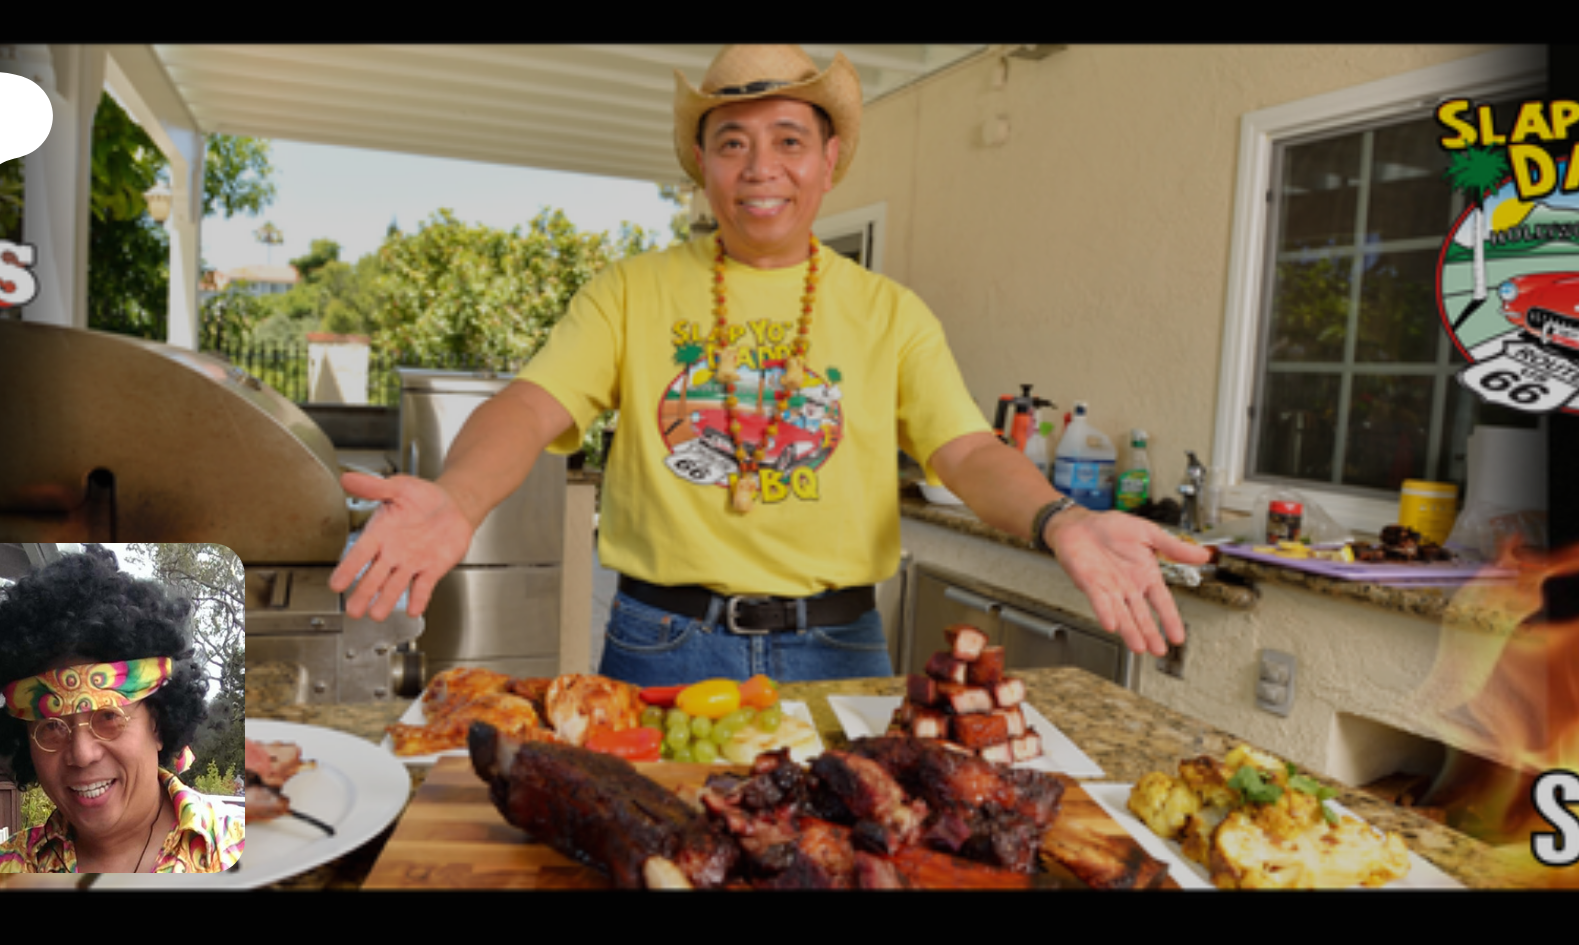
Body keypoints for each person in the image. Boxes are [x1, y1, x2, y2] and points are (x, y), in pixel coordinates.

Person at [331, 45, 1208, 687]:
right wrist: (458, 497)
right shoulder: (629, 291)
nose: (762, 169)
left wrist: (1062, 516)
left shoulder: (891, 312)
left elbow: (969, 451)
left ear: (830, 161)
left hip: (840, 645)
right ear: (702, 165)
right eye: (732, 142)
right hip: (661, 640)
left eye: (789, 140)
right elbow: (528, 406)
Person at [0, 545, 243, 873]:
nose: (82, 754)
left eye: (109, 716)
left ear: (158, 724)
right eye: (52, 725)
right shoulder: (5, 869)